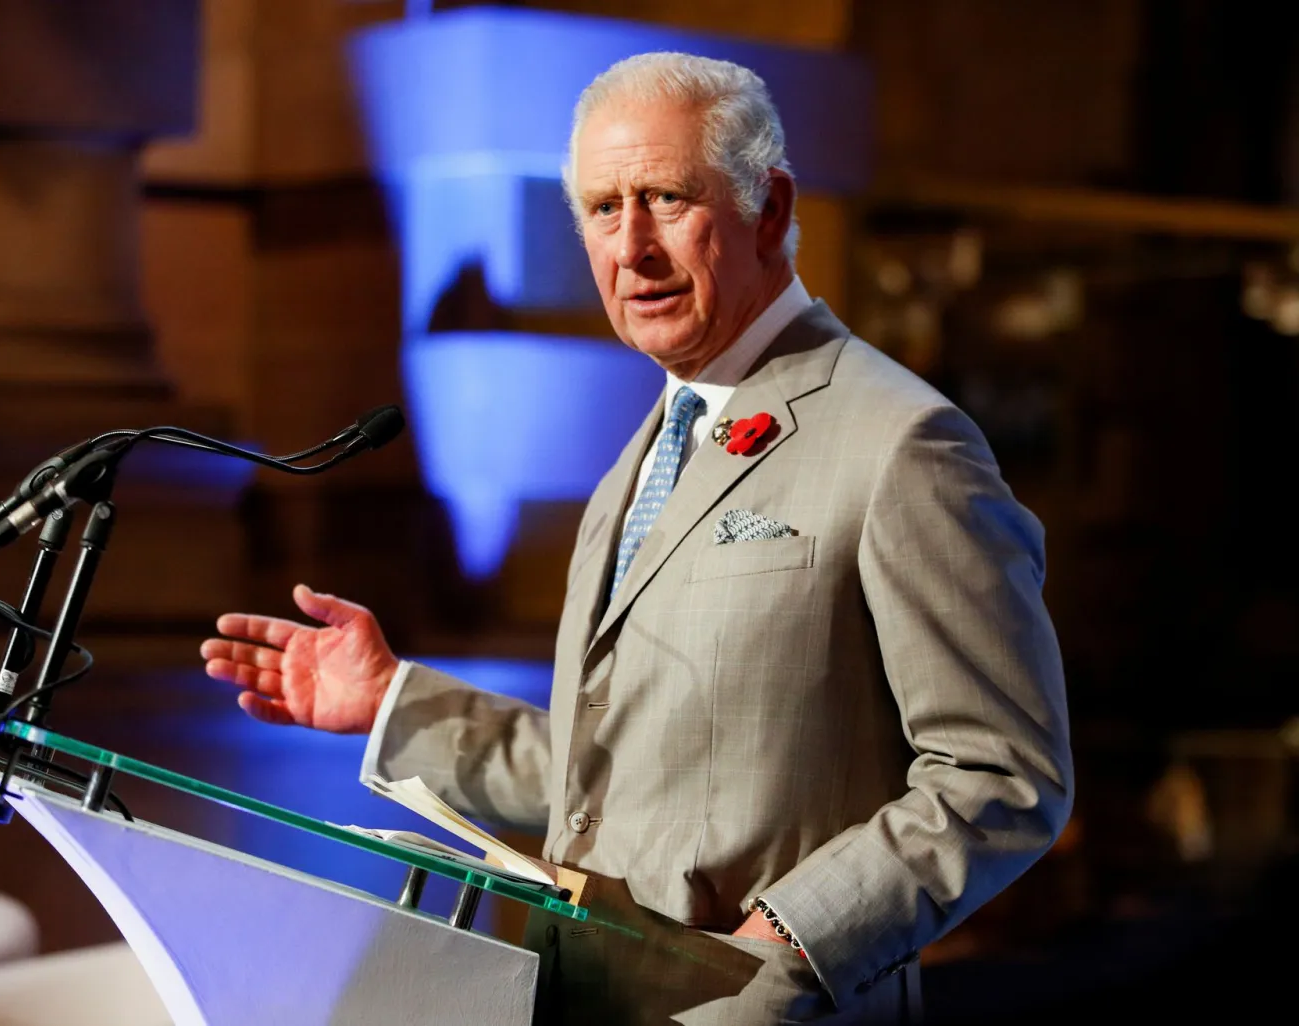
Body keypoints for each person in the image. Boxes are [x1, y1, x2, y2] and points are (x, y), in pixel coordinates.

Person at [200, 52, 1072, 1025]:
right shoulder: (650, 450)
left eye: (664, 197)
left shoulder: (902, 442)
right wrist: (394, 701)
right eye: (602, 209)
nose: (632, 246)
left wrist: (779, 950)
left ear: (771, 208)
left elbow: (1000, 775)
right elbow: (626, 779)